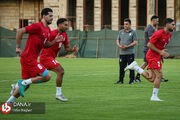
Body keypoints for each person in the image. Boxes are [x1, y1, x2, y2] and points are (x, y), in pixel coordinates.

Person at [6, 8, 62, 105]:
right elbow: (20, 31)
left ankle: (8, 104)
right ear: (44, 16)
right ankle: (21, 83)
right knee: (47, 76)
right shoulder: (37, 26)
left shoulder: (48, 30)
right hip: (28, 59)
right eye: (50, 16)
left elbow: (45, 45)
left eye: (52, 16)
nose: (52, 18)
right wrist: (18, 47)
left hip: (29, 59)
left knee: (26, 85)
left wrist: (54, 41)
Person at [125, 18, 175, 101]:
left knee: (151, 78)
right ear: (167, 25)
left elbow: (160, 46)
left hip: (157, 56)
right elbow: (149, 45)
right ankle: (154, 96)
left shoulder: (169, 34)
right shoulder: (158, 33)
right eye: (173, 24)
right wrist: (160, 52)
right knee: (159, 75)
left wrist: (161, 55)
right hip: (152, 56)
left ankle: (136, 67)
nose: (174, 26)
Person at [39, 18, 78, 101]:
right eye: (65, 25)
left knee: (39, 77)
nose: (67, 27)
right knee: (61, 71)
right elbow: (44, 44)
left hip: (51, 58)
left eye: (68, 25)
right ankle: (58, 94)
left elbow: (67, 48)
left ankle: (18, 85)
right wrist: (55, 41)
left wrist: (73, 50)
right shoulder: (52, 33)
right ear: (59, 25)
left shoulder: (64, 35)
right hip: (46, 57)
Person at [135, 15, 168, 82]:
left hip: (149, 48)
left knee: (149, 63)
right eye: (157, 21)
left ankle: (159, 76)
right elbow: (151, 39)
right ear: (154, 20)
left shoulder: (152, 28)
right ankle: (137, 75)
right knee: (146, 63)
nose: (158, 22)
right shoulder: (150, 28)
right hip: (149, 49)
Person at [115, 18, 138, 84]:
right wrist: (120, 46)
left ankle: (131, 80)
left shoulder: (133, 32)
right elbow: (117, 40)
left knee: (131, 67)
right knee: (122, 67)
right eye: (124, 24)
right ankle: (120, 80)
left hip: (130, 53)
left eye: (126, 24)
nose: (125, 25)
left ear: (130, 25)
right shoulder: (121, 32)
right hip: (122, 53)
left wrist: (127, 46)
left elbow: (135, 42)